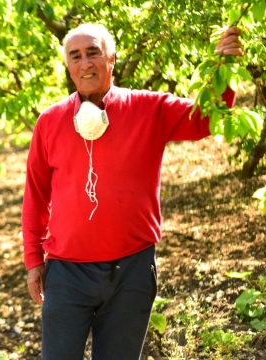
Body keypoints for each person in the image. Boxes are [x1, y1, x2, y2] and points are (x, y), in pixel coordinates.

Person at [22, 23, 244, 359]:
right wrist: (33, 259)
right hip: (67, 273)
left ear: (112, 57)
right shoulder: (50, 121)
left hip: (131, 270)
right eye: (75, 56)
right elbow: (36, 194)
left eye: (93, 52)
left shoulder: (149, 107)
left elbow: (205, 120)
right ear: (68, 66)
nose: (85, 64)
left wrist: (224, 68)